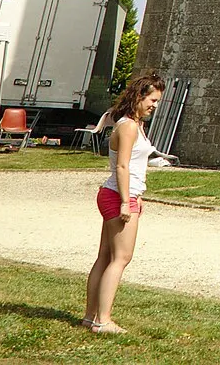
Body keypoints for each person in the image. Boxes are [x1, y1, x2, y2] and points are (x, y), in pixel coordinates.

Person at [83, 71, 167, 334]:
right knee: (121, 258)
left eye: (157, 101)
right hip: (119, 195)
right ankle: (103, 320)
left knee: (105, 256)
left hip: (120, 193)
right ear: (139, 96)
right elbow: (122, 166)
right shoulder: (129, 125)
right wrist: (125, 202)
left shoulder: (132, 123)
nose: (154, 105)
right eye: (152, 100)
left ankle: (90, 316)